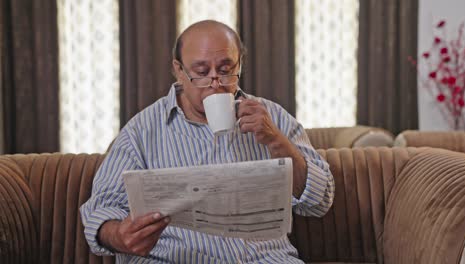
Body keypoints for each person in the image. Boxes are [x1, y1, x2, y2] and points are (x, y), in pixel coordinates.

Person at [80, 20, 334, 263]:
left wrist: (277, 141)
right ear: (179, 71)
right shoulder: (141, 131)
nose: (215, 84)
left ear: (240, 65)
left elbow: (320, 201)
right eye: (201, 73)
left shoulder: (273, 117)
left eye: (226, 71)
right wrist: (120, 235)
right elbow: (100, 209)